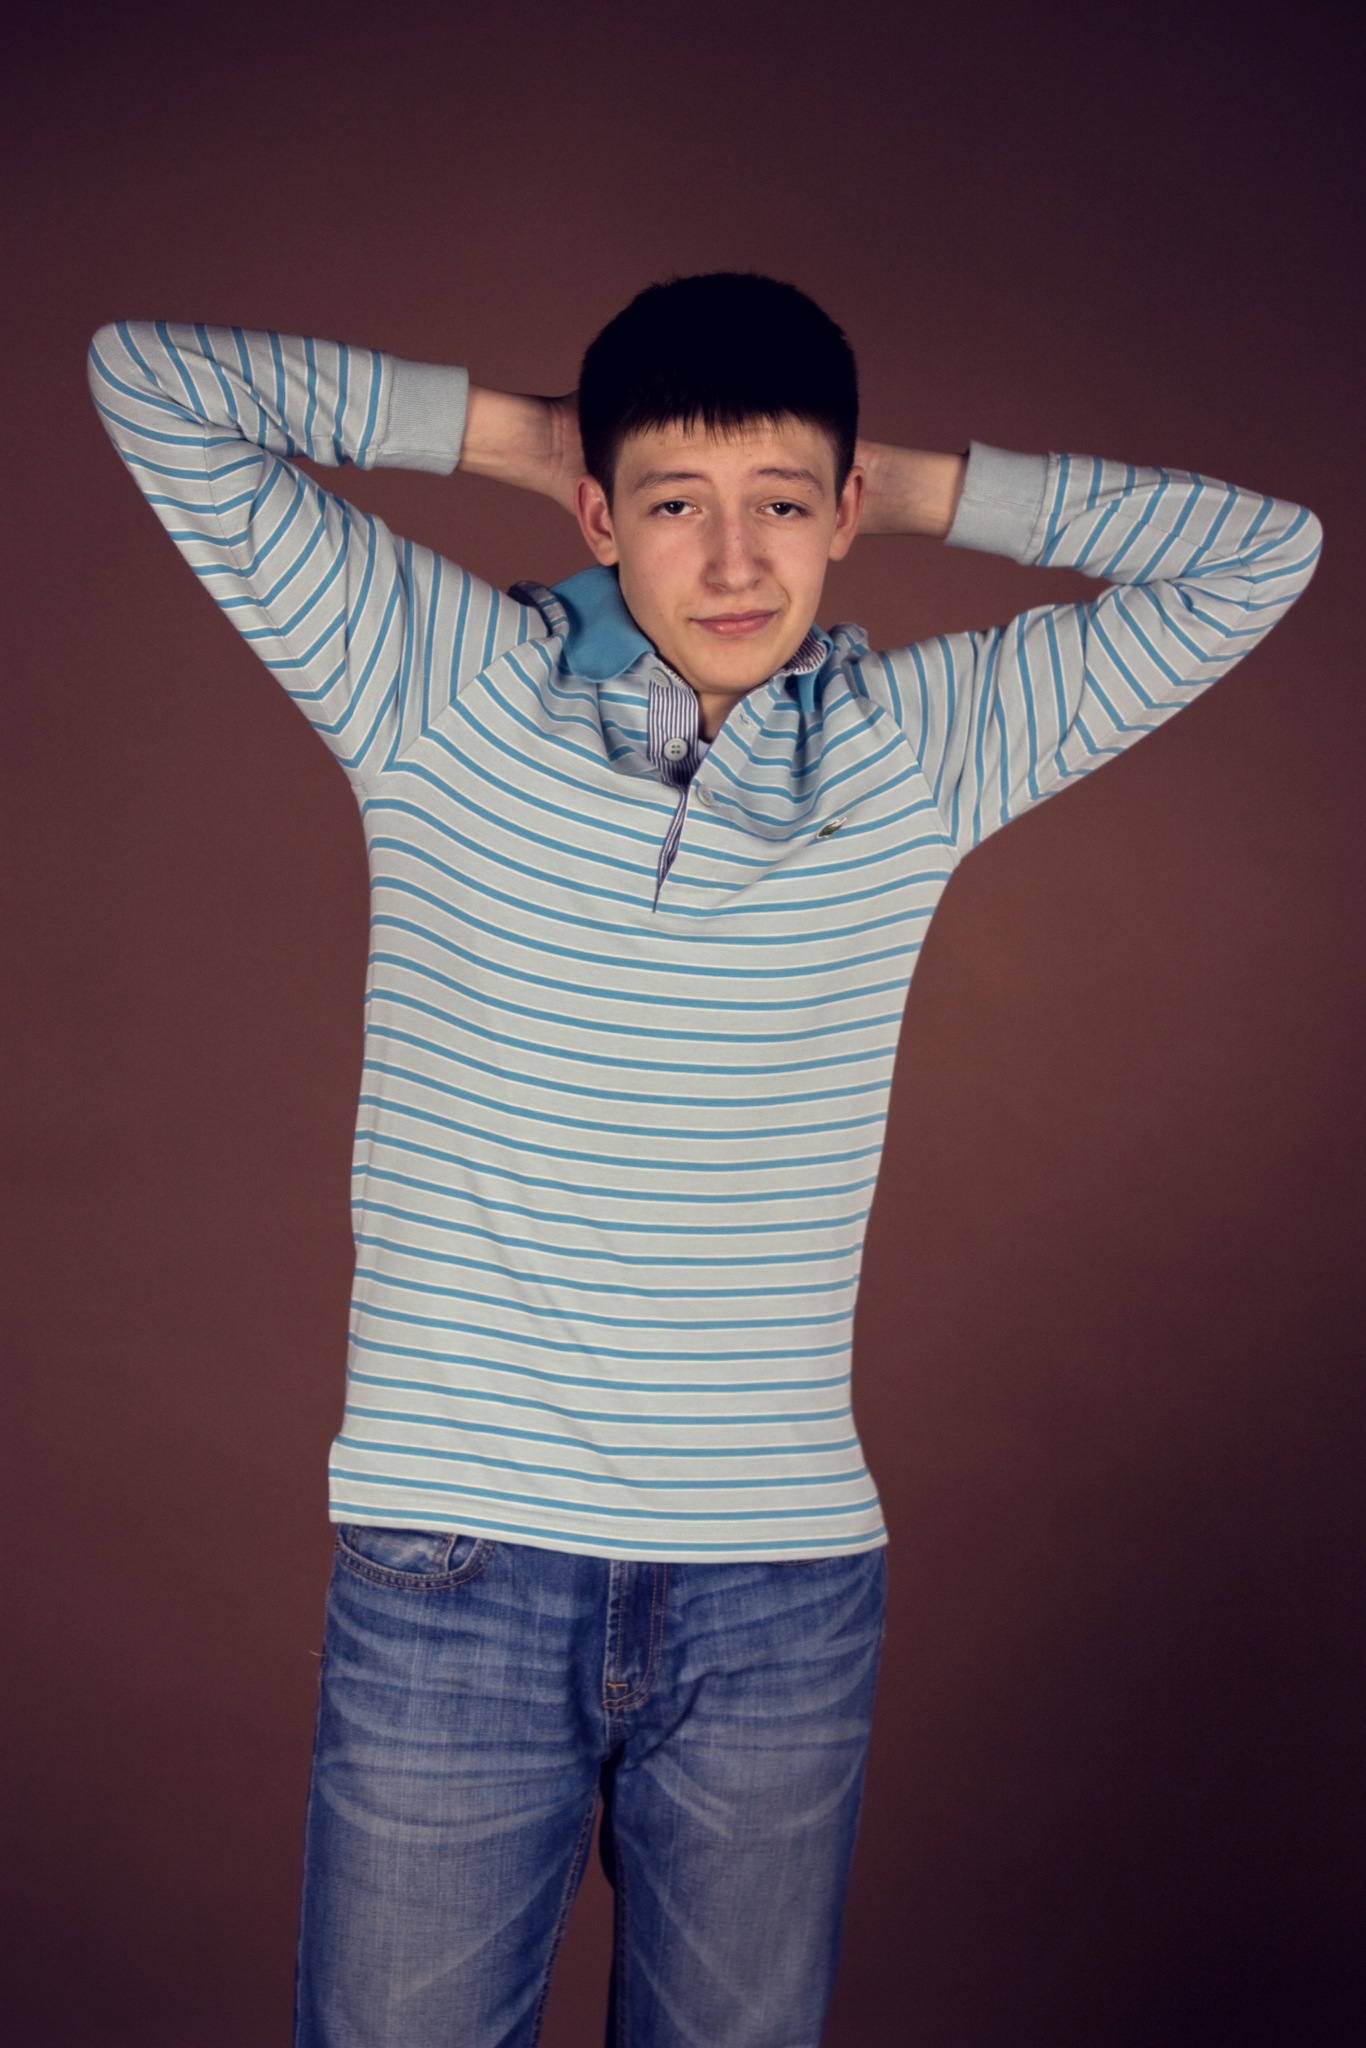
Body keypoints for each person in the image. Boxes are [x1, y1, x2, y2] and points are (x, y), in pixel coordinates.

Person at [88, 273, 1321, 2048]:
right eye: (674, 507)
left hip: (778, 1596)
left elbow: (1259, 555)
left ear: (840, 515)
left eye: (784, 509)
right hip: (457, 1562)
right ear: (599, 517)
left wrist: (899, 483)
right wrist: (532, 438)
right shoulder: (432, 685)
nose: (736, 564)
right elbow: (151, 382)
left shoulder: (912, 755)